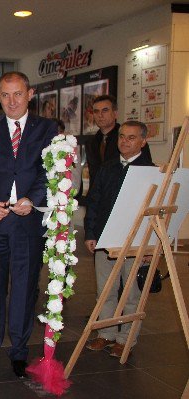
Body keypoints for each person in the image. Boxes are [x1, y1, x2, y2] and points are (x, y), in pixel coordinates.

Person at [0, 71, 58, 380]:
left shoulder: (48, 129)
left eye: (17, 94)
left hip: (27, 222)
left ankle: (20, 353)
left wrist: (32, 198)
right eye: (5, 95)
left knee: (23, 290)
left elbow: (49, 170)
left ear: (30, 94)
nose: (11, 101)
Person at [84, 121, 154, 358]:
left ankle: (126, 339)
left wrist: (149, 246)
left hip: (135, 242)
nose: (124, 141)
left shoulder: (151, 171)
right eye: (122, 136)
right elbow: (93, 201)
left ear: (143, 141)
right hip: (106, 239)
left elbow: (154, 213)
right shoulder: (108, 168)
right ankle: (106, 333)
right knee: (105, 290)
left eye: (131, 138)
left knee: (131, 292)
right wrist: (91, 233)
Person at [84, 95, 152, 183]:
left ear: (115, 113)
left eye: (105, 110)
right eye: (96, 111)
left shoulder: (130, 140)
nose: (100, 115)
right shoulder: (90, 143)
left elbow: (146, 170)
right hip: (99, 193)